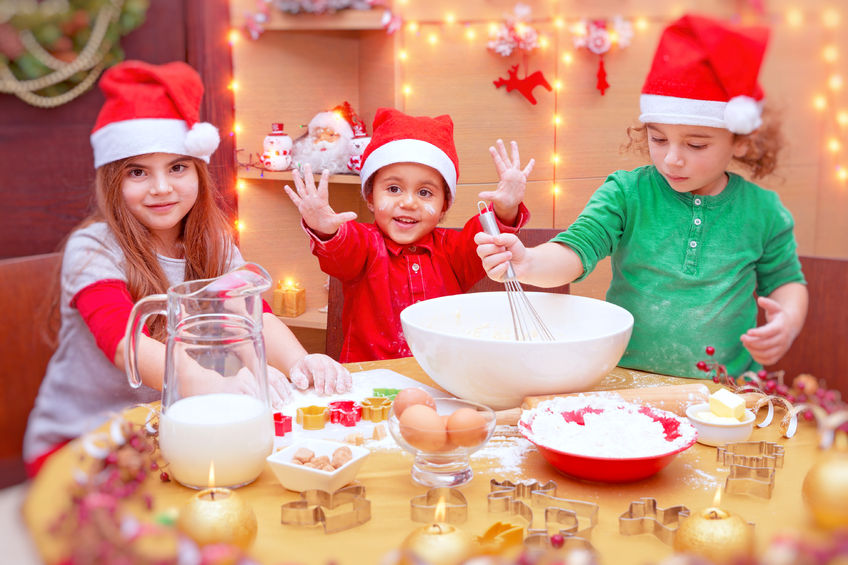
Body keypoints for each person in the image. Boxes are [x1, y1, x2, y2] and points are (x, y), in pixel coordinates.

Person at [23, 60, 351, 475]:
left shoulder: (213, 241)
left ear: (197, 172)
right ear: (112, 182)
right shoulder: (93, 248)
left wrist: (299, 361)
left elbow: (252, 314)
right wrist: (222, 388)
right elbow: (126, 342)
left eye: (177, 167)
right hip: (83, 443)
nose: (161, 188)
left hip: (170, 430)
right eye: (138, 172)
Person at [475, 14, 808, 379]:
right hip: (625, 378)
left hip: (724, 390)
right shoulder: (625, 193)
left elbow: (787, 282)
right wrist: (528, 262)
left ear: (741, 141)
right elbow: (576, 248)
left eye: (696, 144)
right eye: (658, 138)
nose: (672, 158)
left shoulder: (764, 212)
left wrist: (788, 321)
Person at [284, 107, 534, 362]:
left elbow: (486, 240)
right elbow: (342, 249)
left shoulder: (453, 250)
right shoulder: (364, 245)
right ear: (370, 197)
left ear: (444, 205)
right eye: (394, 188)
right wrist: (325, 228)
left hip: (444, 376)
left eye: (425, 192)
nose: (409, 203)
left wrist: (505, 207)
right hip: (372, 383)